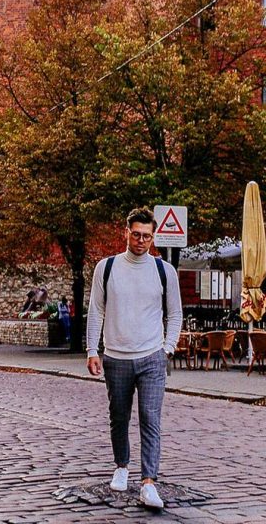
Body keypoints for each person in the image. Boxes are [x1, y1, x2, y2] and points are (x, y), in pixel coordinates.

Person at [86, 207, 182, 511]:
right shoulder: (107, 267)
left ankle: (149, 482)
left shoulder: (164, 271)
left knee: (150, 419)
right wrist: (92, 350)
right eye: (136, 234)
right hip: (116, 357)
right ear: (126, 232)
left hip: (152, 357)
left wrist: (167, 349)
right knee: (119, 417)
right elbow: (96, 309)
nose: (141, 241)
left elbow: (176, 313)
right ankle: (122, 466)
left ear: (153, 237)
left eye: (147, 236)